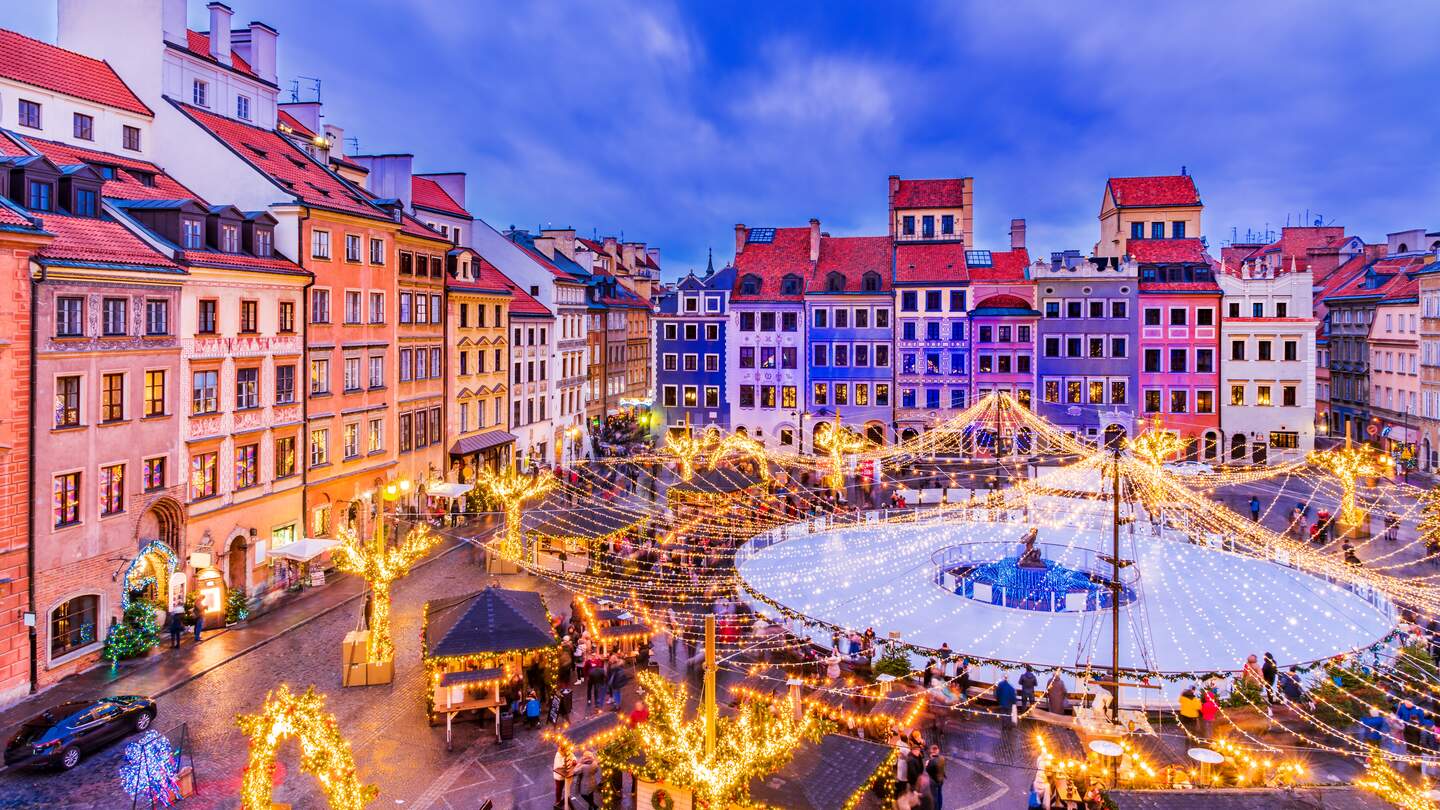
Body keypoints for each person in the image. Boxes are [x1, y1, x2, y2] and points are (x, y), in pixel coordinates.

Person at [925, 743, 946, 810]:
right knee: (939, 794)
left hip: (934, 781)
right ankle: (939, 807)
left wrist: (927, 764)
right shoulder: (942, 758)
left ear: (932, 752)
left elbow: (928, 770)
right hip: (941, 780)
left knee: (935, 796)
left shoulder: (932, 761)